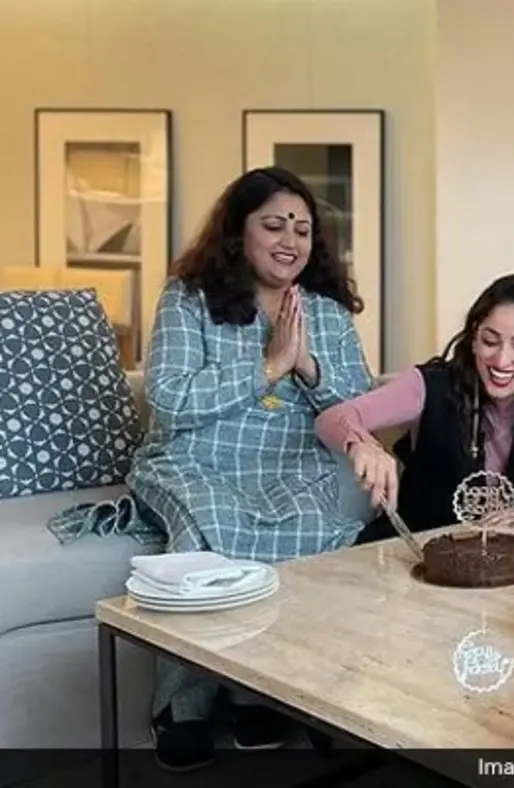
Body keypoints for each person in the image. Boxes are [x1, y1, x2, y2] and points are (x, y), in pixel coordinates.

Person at [47, 167, 376, 769]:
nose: (290, 240)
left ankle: (256, 690)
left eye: (302, 229)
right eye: (273, 225)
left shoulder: (324, 310)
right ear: (237, 232)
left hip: (286, 460)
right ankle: (183, 705)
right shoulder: (188, 296)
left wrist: (306, 367)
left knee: (311, 521)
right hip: (191, 457)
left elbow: (357, 403)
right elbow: (169, 397)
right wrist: (267, 367)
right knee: (207, 529)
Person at [316, 274, 514, 538]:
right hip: (409, 560)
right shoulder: (431, 386)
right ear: (473, 339)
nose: (502, 360)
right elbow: (333, 417)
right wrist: (362, 445)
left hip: (507, 573)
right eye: (490, 341)